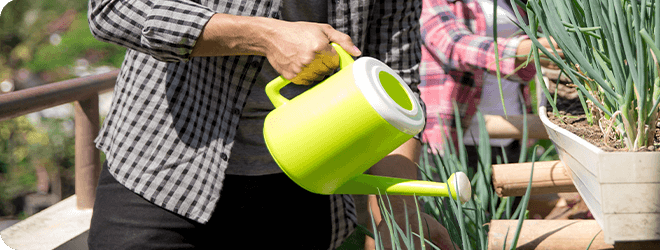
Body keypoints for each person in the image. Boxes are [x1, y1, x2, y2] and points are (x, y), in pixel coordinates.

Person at [86, 0, 452, 249]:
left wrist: (400, 211)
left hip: (305, 191)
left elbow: (393, 84)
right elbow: (112, 9)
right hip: (162, 178)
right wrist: (264, 35)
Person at [418, 0, 558, 163]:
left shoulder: (513, 3)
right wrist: (528, 49)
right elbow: (454, 46)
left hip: (511, 130)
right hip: (455, 132)